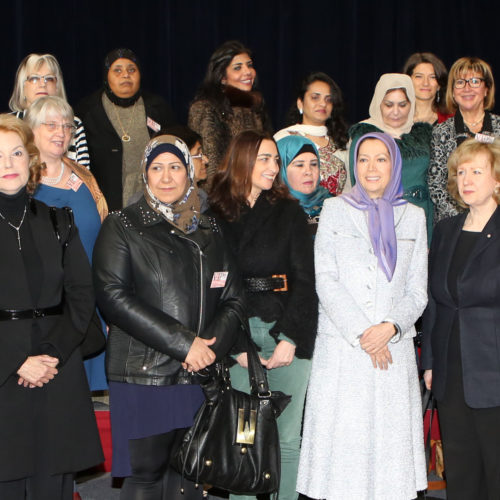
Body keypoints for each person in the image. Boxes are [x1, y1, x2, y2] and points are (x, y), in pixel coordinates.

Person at [93, 134, 245, 500]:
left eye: (175, 167)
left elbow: (234, 300)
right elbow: (113, 298)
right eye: (156, 168)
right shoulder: (122, 225)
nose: (166, 177)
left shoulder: (211, 229)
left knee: (189, 475)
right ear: (144, 174)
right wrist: (184, 344)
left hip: (198, 374)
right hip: (145, 374)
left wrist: (208, 349)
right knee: (145, 475)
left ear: (190, 173)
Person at [297, 132, 428, 500]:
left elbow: (418, 290)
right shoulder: (335, 210)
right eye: (363, 159)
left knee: (389, 463)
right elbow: (326, 278)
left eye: (381, 159)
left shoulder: (414, 217)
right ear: (353, 165)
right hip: (344, 350)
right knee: (343, 462)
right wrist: (363, 334)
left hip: (392, 351)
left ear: (395, 165)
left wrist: (389, 328)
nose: (372, 168)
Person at [210, 130, 317, 500]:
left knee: (288, 439)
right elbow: (210, 290)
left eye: (276, 160)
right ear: (242, 161)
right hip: (238, 334)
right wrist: (235, 347)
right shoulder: (214, 216)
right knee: (246, 440)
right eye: (265, 159)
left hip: (286, 328)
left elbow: (307, 281)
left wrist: (290, 338)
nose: (274, 167)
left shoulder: (290, 212)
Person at [0, 114, 103, 499]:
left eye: (15, 154)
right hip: (3, 378)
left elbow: (81, 295)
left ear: (30, 160)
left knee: (53, 489)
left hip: (57, 372)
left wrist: (51, 354)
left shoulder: (59, 221)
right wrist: (16, 360)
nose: (8, 164)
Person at [422, 137, 500, 499]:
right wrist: (431, 362)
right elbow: (436, 303)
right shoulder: (446, 230)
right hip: (451, 372)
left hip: (494, 371)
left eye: (477, 171)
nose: (466, 179)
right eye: (461, 172)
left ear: (497, 179)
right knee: (461, 470)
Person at [25, 96, 108, 391]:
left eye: (66, 126)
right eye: (50, 125)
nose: (60, 132)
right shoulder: (20, 184)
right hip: (51, 313)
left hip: (91, 303)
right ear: (31, 130)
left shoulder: (84, 176)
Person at [76, 48, 176, 210]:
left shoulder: (159, 109)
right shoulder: (87, 112)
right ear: (106, 76)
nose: (125, 75)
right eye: (117, 70)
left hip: (155, 206)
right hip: (105, 209)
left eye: (132, 70)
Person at [349, 73, 434, 239]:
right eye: (389, 105)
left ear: (412, 104)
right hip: (381, 216)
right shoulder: (365, 135)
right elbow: (358, 184)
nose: (396, 112)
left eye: (402, 105)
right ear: (378, 103)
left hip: (422, 212)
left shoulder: (423, 135)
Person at [188, 40, 272, 184]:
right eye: (237, 68)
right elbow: (209, 167)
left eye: (249, 65)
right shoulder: (206, 108)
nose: (247, 72)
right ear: (223, 78)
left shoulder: (256, 108)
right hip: (223, 198)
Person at [428, 57, 500, 223]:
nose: (467, 88)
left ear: (487, 89)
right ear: (452, 91)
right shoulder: (440, 131)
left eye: (475, 81)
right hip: (454, 223)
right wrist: (465, 218)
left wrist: (489, 216)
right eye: (460, 82)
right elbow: (436, 184)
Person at [8, 53, 90, 167]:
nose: (42, 84)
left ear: (57, 87)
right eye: (34, 78)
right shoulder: (7, 124)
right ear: (22, 86)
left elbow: (83, 174)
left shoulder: (74, 123)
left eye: (49, 79)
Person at [274, 72, 349, 195]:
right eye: (315, 97)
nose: (323, 104)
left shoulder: (341, 142)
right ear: (300, 103)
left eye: (328, 99)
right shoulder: (285, 138)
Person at [276, 134, 331, 235]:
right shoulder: (272, 212)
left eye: (314, 164)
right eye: (300, 165)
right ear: (281, 169)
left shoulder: (332, 204)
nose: (308, 171)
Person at [403, 52, 452, 125]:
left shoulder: (451, 120)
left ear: (439, 85)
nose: (425, 83)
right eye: (419, 76)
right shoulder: (396, 118)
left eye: (432, 77)